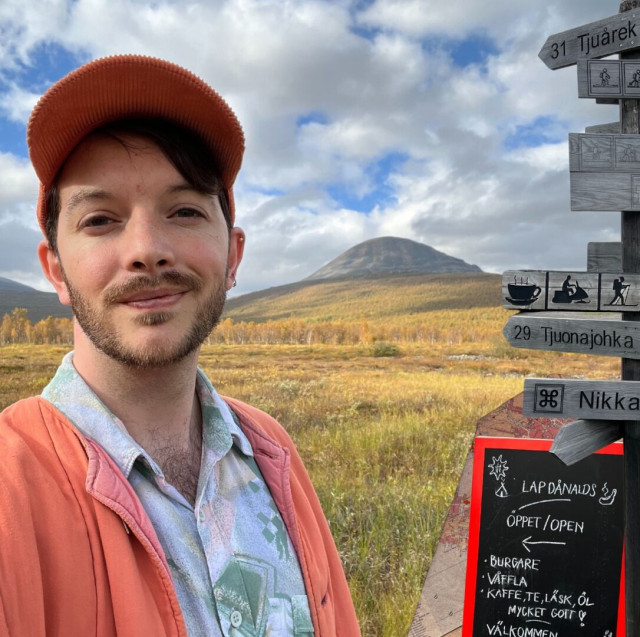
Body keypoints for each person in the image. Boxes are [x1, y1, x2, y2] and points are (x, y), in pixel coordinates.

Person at [0, 55, 360, 637]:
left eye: (185, 210)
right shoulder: (8, 491)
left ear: (233, 257)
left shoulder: (272, 451)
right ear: (56, 271)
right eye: (99, 220)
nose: (147, 249)